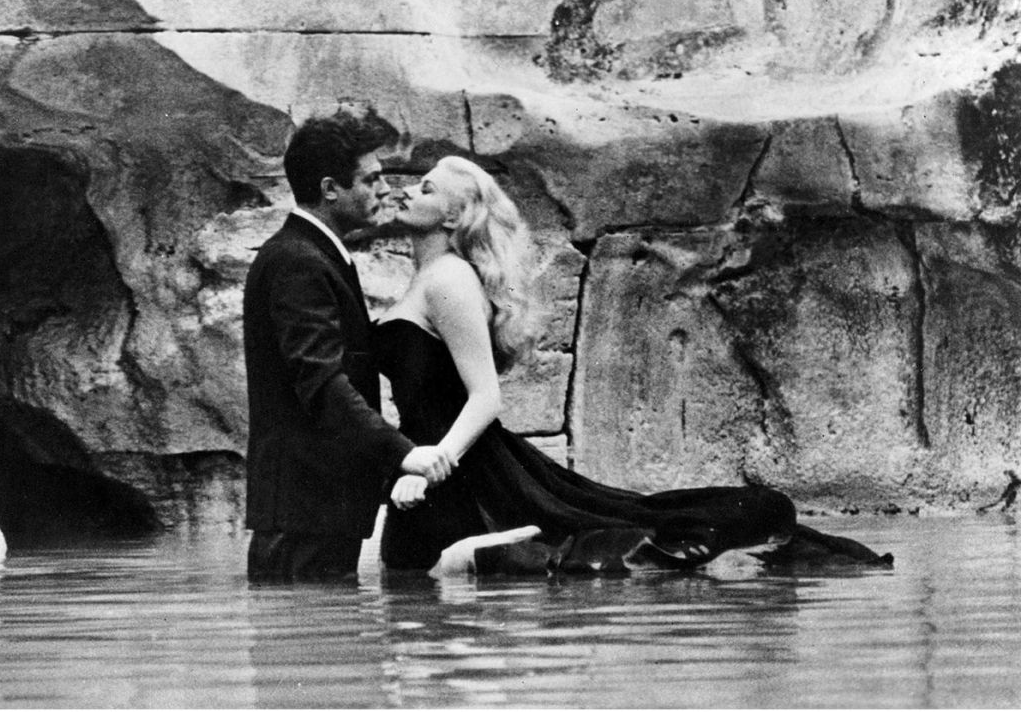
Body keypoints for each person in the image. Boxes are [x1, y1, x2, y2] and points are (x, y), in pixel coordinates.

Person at [374, 155, 891, 574]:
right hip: (440, 461)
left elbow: (486, 396)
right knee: (411, 568)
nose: (405, 191)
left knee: (440, 568)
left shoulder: (448, 279)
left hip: (456, 464)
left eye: (425, 188)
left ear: (452, 217)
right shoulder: (429, 277)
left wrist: (435, 465)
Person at [243, 109, 455, 582]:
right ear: (330, 188)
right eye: (371, 179)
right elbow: (322, 383)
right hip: (305, 517)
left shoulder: (313, 254)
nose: (385, 190)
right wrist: (402, 453)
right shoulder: (300, 261)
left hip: (314, 512)